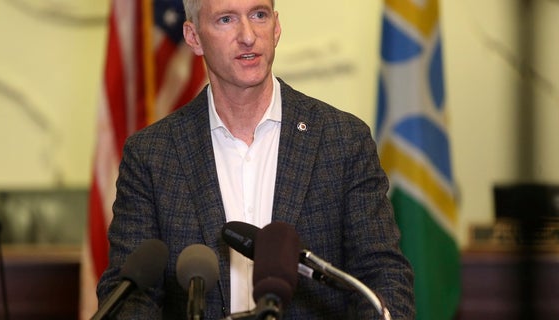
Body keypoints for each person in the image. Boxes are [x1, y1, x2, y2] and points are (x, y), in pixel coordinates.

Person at [96, 0, 415, 318]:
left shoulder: (342, 141)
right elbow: (131, 297)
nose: (248, 36)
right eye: (226, 19)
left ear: (276, 26)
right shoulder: (152, 156)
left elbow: (382, 274)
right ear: (193, 37)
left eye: (259, 15)